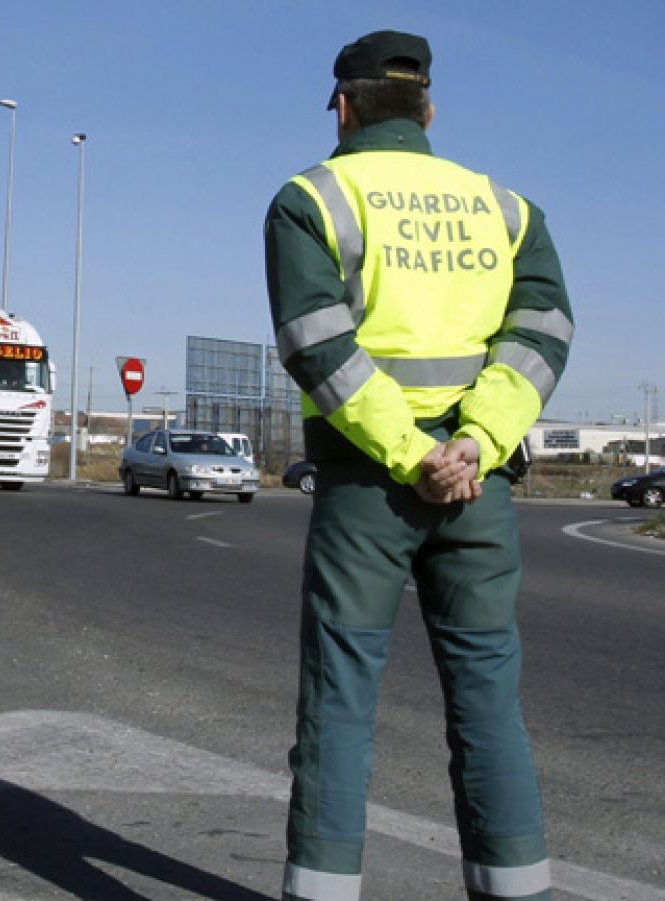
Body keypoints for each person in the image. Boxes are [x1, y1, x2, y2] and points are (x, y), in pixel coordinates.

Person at [264, 30, 572, 901]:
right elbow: (543, 334)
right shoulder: (506, 208)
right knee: (487, 694)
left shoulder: (312, 200)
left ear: (345, 105)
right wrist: (477, 440)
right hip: (481, 484)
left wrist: (416, 451)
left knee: (341, 695)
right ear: (429, 108)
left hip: (371, 482)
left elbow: (316, 345)